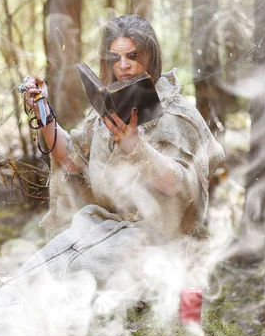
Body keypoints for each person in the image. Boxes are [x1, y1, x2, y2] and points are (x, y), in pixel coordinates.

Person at [17, 15, 225, 308]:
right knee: (33, 273)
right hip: (105, 229)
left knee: (74, 282)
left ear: (151, 58)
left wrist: (136, 148)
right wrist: (42, 108)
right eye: (115, 58)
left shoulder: (178, 115)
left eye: (133, 56)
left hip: (160, 242)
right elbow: (72, 160)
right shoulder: (106, 112)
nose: (123, 66)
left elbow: (179, 185)